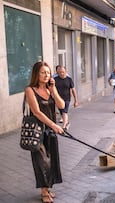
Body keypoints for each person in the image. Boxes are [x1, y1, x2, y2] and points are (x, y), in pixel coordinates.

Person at [24, 61, 65, 203]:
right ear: (36, 73)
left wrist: (53, 90)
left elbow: (62, 105)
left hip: (51, 132)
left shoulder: (50, 89)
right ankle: (43, 192)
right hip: (38, 132)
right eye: (43, 72)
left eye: (48, 72)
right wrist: (54, 125)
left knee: (51, 160)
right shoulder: (30, 90)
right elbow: (36, 112)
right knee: (42, 162)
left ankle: (47, 188)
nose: (46, 75)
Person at [54, 66, 78, 130]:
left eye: (63, 72)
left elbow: (73, 90)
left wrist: (76, 100)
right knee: (61, 111)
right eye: (60, 72)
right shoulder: (55, 79)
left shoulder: (69, 79)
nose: (61, 73)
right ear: (57, 72)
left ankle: (64, 126)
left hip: (67, 98)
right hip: (58, 99)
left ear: (65, 72)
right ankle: (66, 122)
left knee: (65, 111)